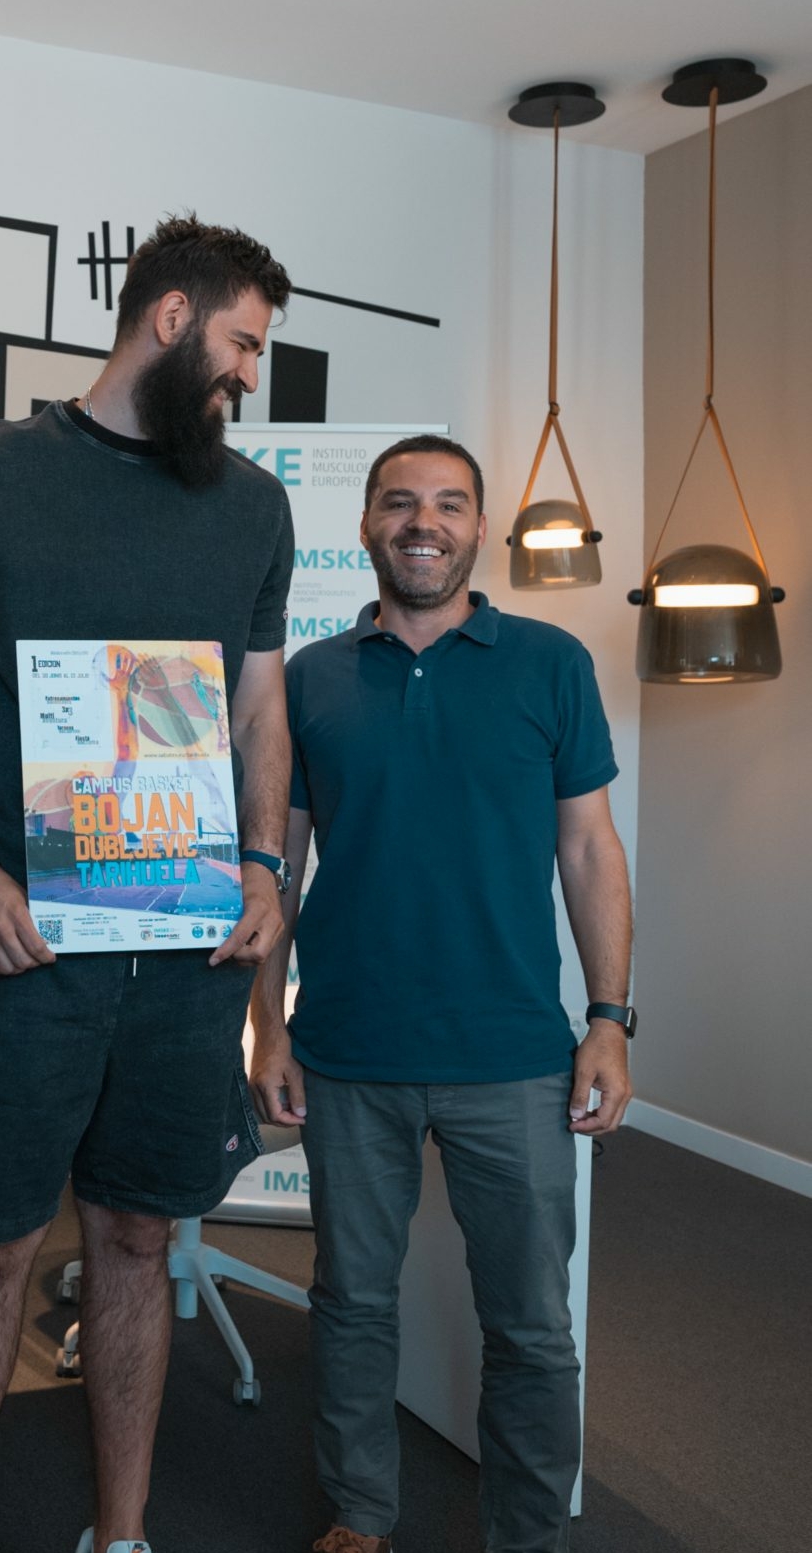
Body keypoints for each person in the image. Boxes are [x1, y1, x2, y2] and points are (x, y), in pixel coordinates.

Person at [0, 215, 297, 1553]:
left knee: (136, 1242)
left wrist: (263, 860)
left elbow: (258, 715)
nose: (244, 378)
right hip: (29, 948)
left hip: (185, 957)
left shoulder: (253, 506)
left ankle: (119, 1535)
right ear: (169, 318)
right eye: (238, 345)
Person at [247, 434, 634, 1553]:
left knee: (529, 1324)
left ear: (478, 528)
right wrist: (269, 1023)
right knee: (352, 1305)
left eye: (450, 503)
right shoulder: (311, 677)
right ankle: (362, 1512)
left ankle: (525, 1532)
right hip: (347, 1051)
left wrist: (608, 1020)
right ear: (367, 523)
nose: (426, 521)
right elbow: (279, 867)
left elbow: (590, 851)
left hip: (514, 1051)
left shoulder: (551, 662)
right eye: (402, 502)